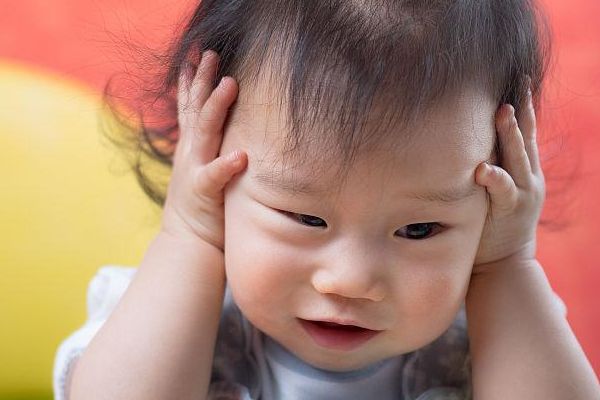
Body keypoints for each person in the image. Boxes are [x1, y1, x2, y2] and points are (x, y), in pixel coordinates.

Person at [53, 0, 600, 399]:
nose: (350, 280)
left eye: (419, 229)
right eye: (305, 217)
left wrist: (506, 265)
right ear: (212, 173)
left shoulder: (491, 341)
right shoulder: (167, 315)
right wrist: (189, 234)